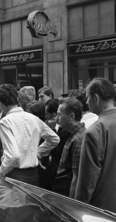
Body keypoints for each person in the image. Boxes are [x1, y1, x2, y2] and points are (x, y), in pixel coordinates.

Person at [0, 84, 60, 186]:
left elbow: (13, 156)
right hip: (34, 175)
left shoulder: (5, 122)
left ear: (0, 102)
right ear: (17, 98)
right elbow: (54, 139)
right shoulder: (33, 118)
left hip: (15, 176)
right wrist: (37, 153)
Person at [75, 78, 116, 213]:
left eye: (88, 98)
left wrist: (79, 208)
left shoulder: (95, 131)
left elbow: (87, 180)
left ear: (96, 98)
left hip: (103, 208)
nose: (87, 102)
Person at [52, 97, 86, 198]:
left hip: (67, 195)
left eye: (59, 114)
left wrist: (72, 204)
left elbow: (77, 177)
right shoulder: (71, 134)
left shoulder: (78, 139)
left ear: (71, 116)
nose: (56, 118)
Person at [44, 98, 70, 190]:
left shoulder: (65, 130)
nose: (45, 116)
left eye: (46, 113)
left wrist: (52, 131)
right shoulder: (55, 127)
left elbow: (56, 149)